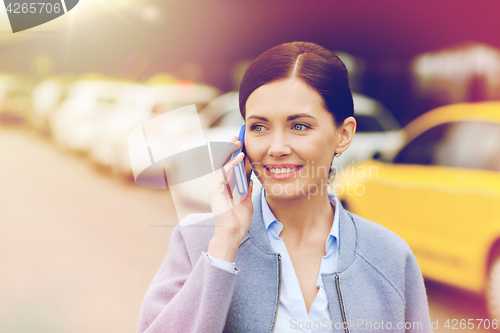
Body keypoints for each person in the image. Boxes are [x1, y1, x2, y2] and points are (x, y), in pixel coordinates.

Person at [136, 41, 432, 333]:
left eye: (299, 126)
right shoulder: (197, 241)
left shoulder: (390, 255)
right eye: (259, 127)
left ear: (343, 134)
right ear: (241, 139)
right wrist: (224, 247)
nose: (276, 148)